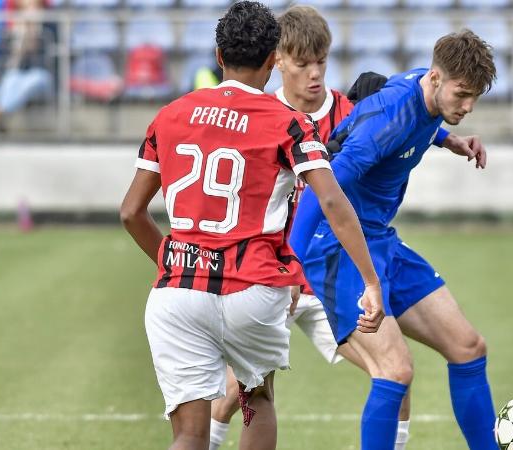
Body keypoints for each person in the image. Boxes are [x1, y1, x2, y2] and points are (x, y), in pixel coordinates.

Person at [119, 3, 384, 449]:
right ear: (271, 62)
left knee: (188, 435)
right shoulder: (289, 122)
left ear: (219, 57)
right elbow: (332, 200)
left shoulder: (169, 115)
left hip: (178, 292)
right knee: (256, 400)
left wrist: (173, 259)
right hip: (252, 290)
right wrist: (371, 281)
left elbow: (131, 211)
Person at [290, 29, 498, 450]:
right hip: (336, 247)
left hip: (380, 240)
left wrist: (448, 139)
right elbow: (322, 190)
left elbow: (422, 122)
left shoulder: (427, 88)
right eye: (463, 95)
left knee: (468, 347)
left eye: (475, 96)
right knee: (394, 369)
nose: (469, 106)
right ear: (437, 79)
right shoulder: (387, 119)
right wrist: (289, 263)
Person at [0, 0, 55, 133]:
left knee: (33, 79)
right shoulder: (15, 28)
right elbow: (14, 64)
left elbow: (45, 58)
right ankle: (1, 114)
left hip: (44, 76)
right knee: (11, 78)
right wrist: (22, 34)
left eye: (33, 7)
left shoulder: (50, 25)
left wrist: (33, 30)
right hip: (20, 74)